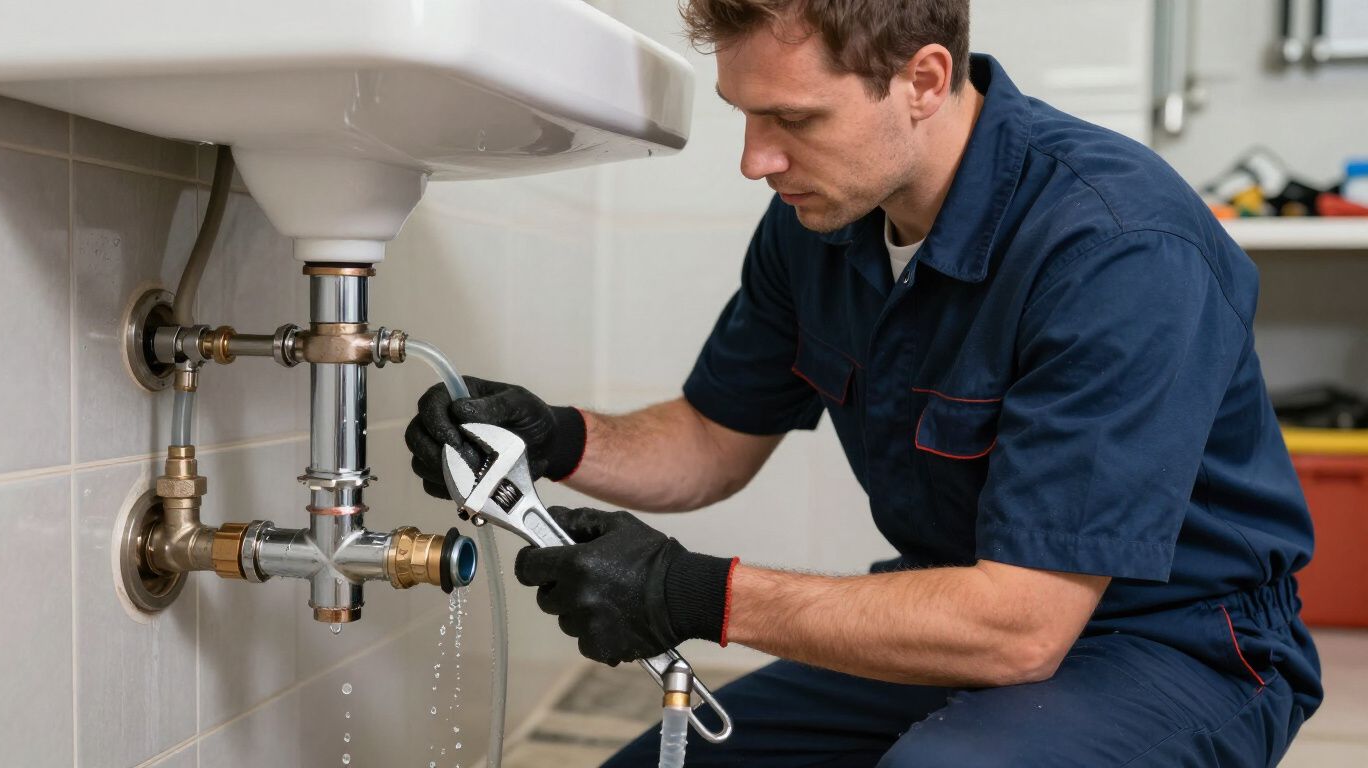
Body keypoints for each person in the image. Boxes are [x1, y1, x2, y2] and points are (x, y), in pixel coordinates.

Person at [404, 1, 1323, 764]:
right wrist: (554, 436)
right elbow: (712, 442)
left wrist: (694, 593)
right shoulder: (821, 222)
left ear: (923, 80)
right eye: (746, 114)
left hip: (1182, 644)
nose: (756, 160)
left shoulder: (1116, 248)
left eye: (795, 120)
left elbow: (1022, 627)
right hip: (958, 610)